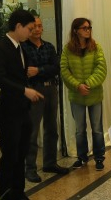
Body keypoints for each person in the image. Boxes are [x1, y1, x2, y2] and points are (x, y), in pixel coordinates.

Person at [0, 9, 44, 200]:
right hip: (8, 111)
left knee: (21, 153)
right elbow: (0, 78)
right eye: (29, 29)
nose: (31, 32)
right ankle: (5, 194)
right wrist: (24, 90)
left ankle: (19, 192)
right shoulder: (0, 47)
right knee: (10, 155)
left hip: (23, 110)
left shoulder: (21, 47)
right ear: (18, 26)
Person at [22, 16, 69, 183]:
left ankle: (50, 163)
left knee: (52, 128)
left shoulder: (49, 46)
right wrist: (41, 70)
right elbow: (26, 71)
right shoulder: (23, 48)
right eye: (34, 26)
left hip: (51, 89)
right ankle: (30, 168)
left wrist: (39, 70)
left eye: (40, 26)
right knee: (32, 131)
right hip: (34, 90)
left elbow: (56, 68)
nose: (37, 29)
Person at [60, 17, 107, 171]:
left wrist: (87, 84)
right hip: (76, 96)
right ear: (76, 31)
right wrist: (77, 86)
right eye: (84, 28)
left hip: (94, 94)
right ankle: (82, 157)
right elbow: (64, 71)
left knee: (97, 128)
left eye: (89, 28)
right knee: (80, 130)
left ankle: (99, 157)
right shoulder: (67, 49)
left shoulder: (96, 47)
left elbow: (101, 68)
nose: (88, 30)